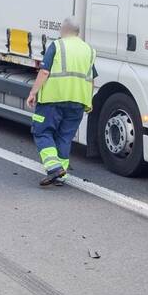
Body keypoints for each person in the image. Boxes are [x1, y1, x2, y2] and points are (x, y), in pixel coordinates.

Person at [26, 16, 97, 186]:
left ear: (63, 30)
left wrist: (33, 93)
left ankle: (54, 168)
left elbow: (44, 72)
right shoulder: (88, 50)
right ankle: (60, 175)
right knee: (64, 137)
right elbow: (91, 79)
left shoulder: (57, 45)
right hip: (77, 102)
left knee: (42, 132)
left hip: (53, 99)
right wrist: (89, 102)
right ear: (77, 32)